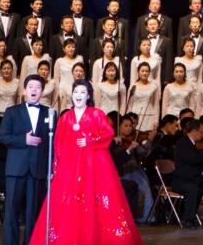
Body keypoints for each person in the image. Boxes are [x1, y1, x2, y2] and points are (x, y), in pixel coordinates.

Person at [28, 79, 141, 243]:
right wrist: (56, 166)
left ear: (88, 95)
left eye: (82, 92)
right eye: (75, 92)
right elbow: (58, 143)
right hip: (69, 166)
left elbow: (108, 133)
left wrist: (90, 140)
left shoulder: (96, 114)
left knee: (97, 202)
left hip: (93, 166)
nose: (78, 95)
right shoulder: (65, 117)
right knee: (68, 204)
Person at [0, 74, 54, 245]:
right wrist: (24, 140)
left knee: (33, 213)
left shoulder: (50, 113)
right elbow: (3, 137)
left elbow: (53, 142)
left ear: (42, 91)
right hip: (16, 169)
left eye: (38, 87)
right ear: (24, 90)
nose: (34, 90)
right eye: (31, 87)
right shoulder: (12, 111)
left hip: (38, 169)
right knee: (11, 212)